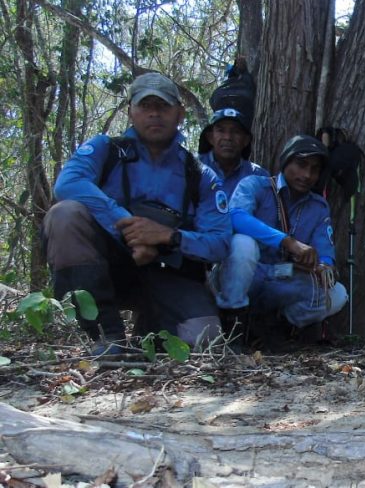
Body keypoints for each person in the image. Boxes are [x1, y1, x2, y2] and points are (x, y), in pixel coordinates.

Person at [43, 72, 232, 355]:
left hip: (168, 270)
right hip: (111, 266)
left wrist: (167, 237)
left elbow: (220, 243)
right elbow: (67, 184)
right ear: (131, 111)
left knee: (206, 338)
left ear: (180, 114)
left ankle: (151, 328)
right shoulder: (104, 149)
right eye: (145, 106)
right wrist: (128, 230)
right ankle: (108, 337)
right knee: (65, 215)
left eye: (164, 106)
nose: (154, 114)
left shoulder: (200, 174)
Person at [213, 134, 348, 342]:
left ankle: (277, 328)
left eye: (314, 169)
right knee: (242, 244)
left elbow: (326, 254)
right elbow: (236, 216)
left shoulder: (318, 207)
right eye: (301, 165)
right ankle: (233, 328)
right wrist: (288, 242)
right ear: (286, 161)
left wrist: (322, 267)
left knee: (337, 294)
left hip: (284, 277)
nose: (307, 174)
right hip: (247, 273)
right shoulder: (256, 186)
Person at [198, 107, 268, 198]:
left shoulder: (258, 175)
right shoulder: (192, 167)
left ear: (246, 140)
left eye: (236, 131)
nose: (228, 137)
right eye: (221, 131)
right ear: (210, 138)